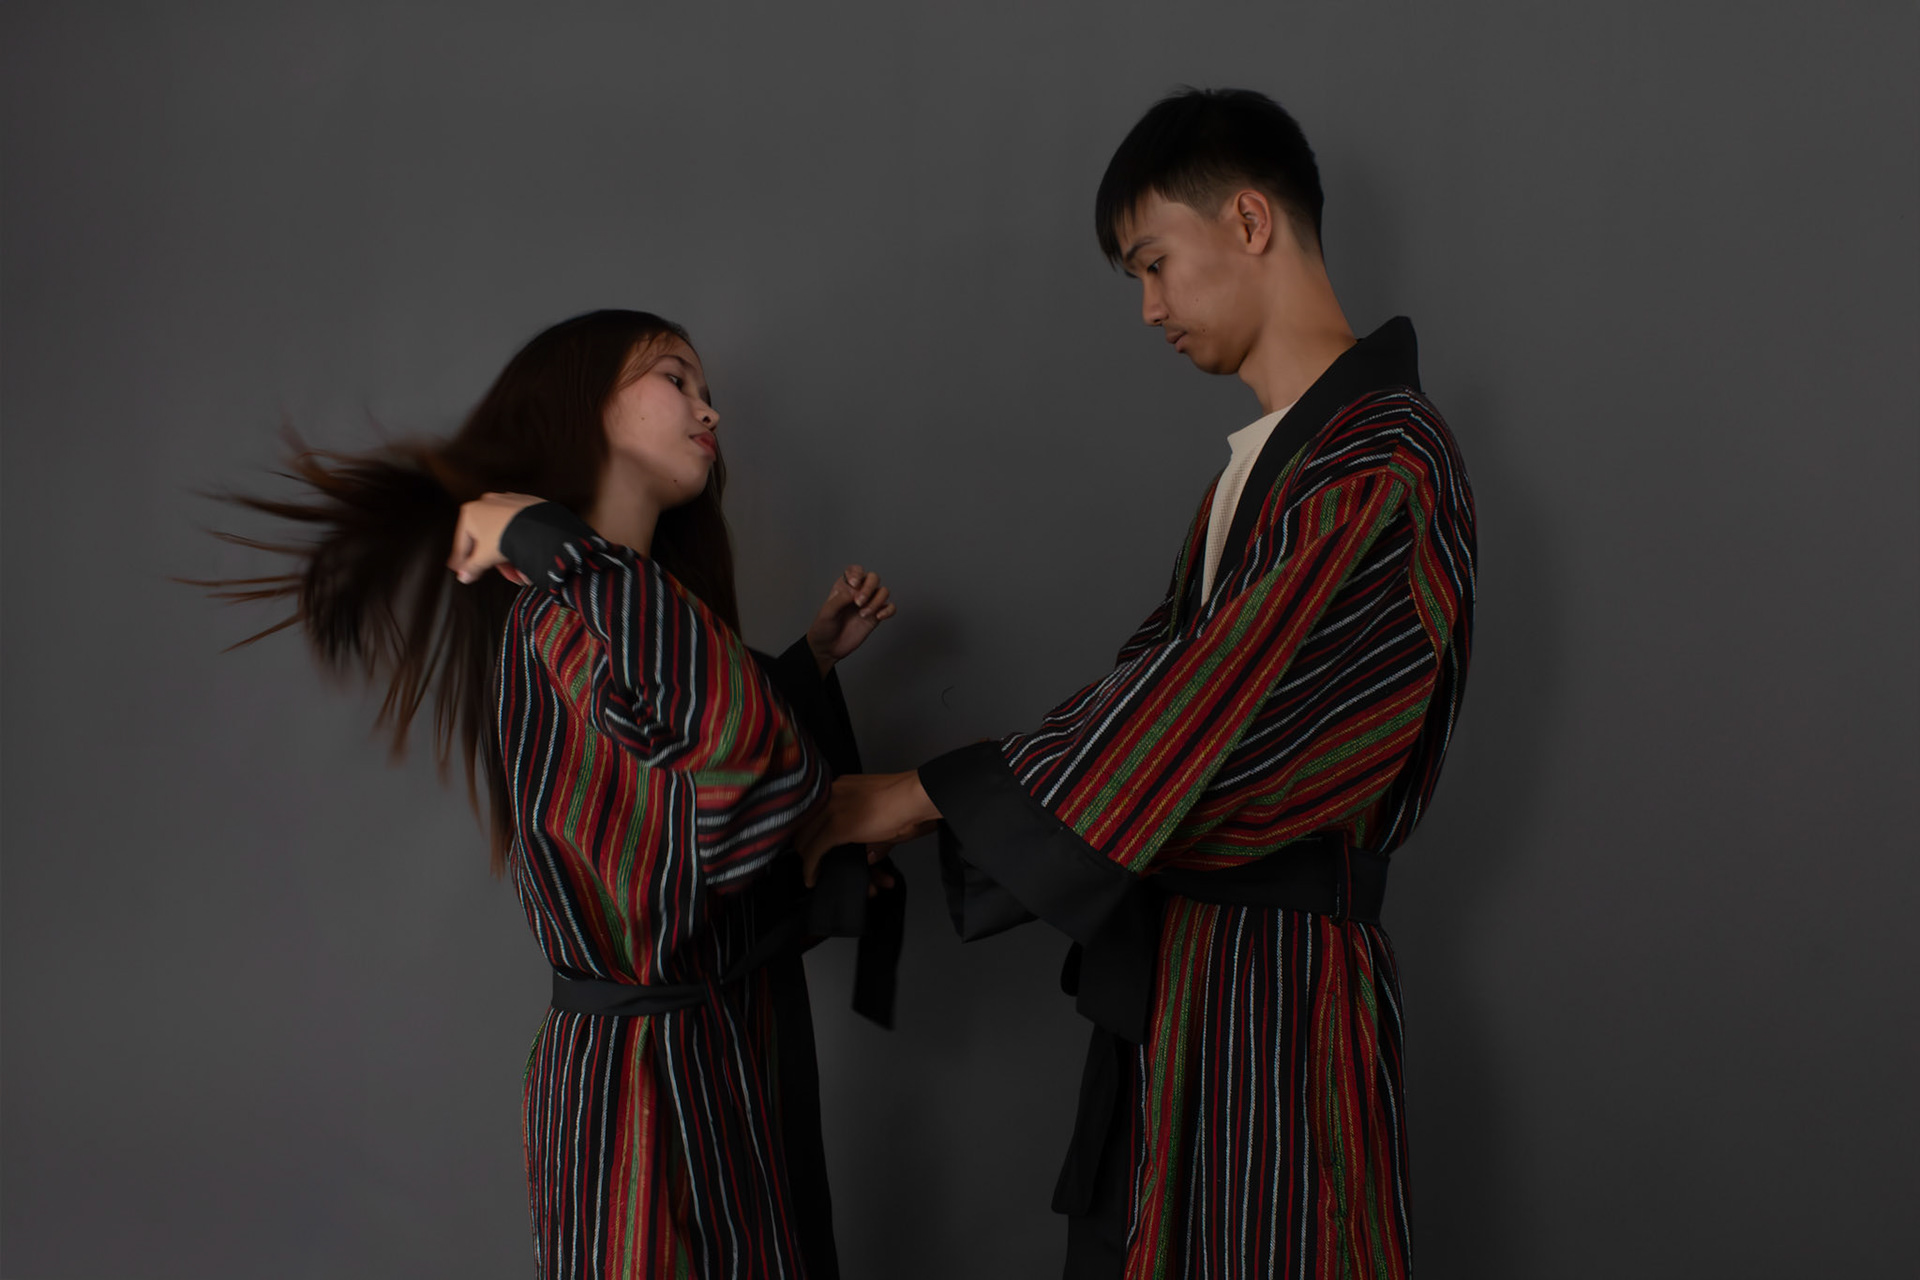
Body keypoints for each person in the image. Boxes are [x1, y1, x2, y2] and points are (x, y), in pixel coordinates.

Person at [801, 88, 1477, 1279]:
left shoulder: (1385, 454)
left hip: (1280, 993)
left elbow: (1201, 709)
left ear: (1250, 221)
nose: (1150, 307)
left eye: (1155, 263)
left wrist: (919, 795)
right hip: (1190, 974)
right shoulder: (1258, 474)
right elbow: (1154, 693)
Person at [200, 309, 902, 1278]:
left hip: (718, 1053)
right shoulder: (563, 616)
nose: (710, 409)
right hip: (646, 1085)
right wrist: (546, 537)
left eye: (706, 390)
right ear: (585, 405)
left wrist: (808, 663)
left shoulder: (635, 608)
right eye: (675, 379)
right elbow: (739, 767)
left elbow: (698, 777)